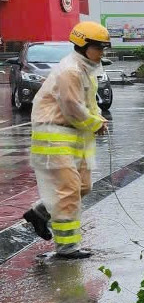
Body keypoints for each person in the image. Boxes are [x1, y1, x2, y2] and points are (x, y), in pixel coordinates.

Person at [22, 21, 110, 259]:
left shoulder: (86, 69)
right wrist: (95, 124)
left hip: (74, 135)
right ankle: (67, 248)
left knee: (83, 186)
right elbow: (72, 108)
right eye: (99, 47)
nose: (102, 52)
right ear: (83, 46)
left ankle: (40, 212)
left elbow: (89, 105)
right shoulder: (70, 70)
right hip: (54, 135)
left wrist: (98, 118)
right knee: (68, 191)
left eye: (104, 47)